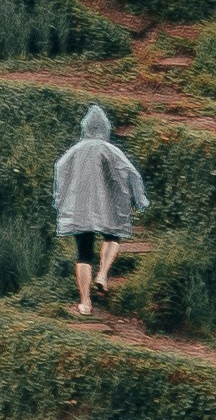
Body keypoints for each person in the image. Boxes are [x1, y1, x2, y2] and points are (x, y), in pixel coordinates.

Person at [51, 99, 147, 315]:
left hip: (79, 208)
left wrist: (59, 201)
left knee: (83, 254)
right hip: (106, 207)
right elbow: (131, 172)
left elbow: (60, 171)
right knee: (113, 237)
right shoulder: (111, 150)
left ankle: (85, 302)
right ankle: (103, 273)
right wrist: (140, 199)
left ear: (85, 127)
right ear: (105, 128)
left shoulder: (74, 151)